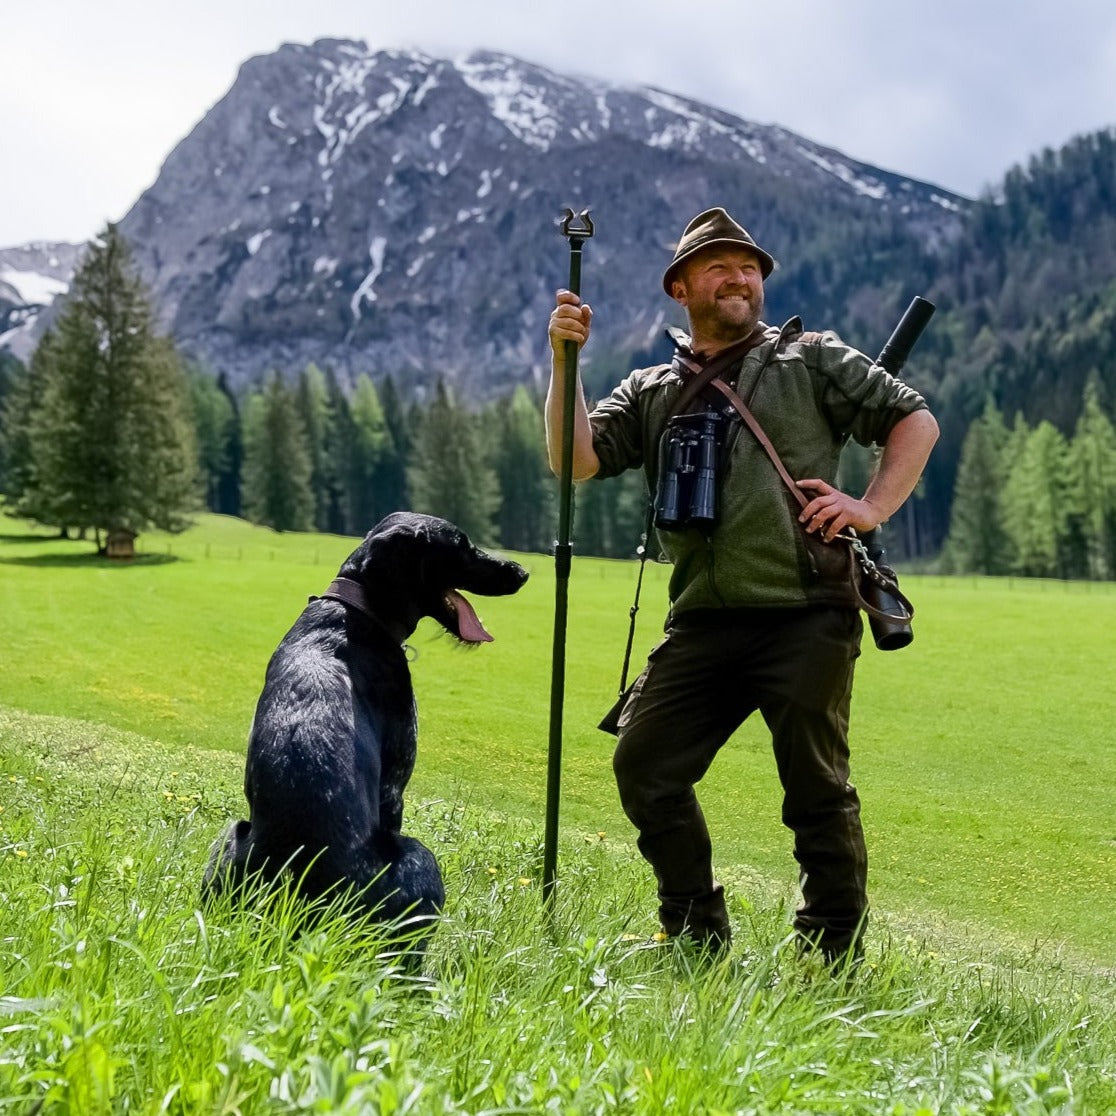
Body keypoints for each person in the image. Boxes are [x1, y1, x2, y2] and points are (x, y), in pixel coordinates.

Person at [545, 207, 939, 960]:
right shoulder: (652, 387)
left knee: (816, 791)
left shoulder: (813, 359)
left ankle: (828, 957)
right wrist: (564, 362)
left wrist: (869, 506)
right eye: (721, 266)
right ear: (681, 287)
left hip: (807, 612)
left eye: (750, 266)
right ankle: (695, 931)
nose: (741, 277)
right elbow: (575, 459)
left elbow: (913, 419)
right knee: (646, 764)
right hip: (702, 621)